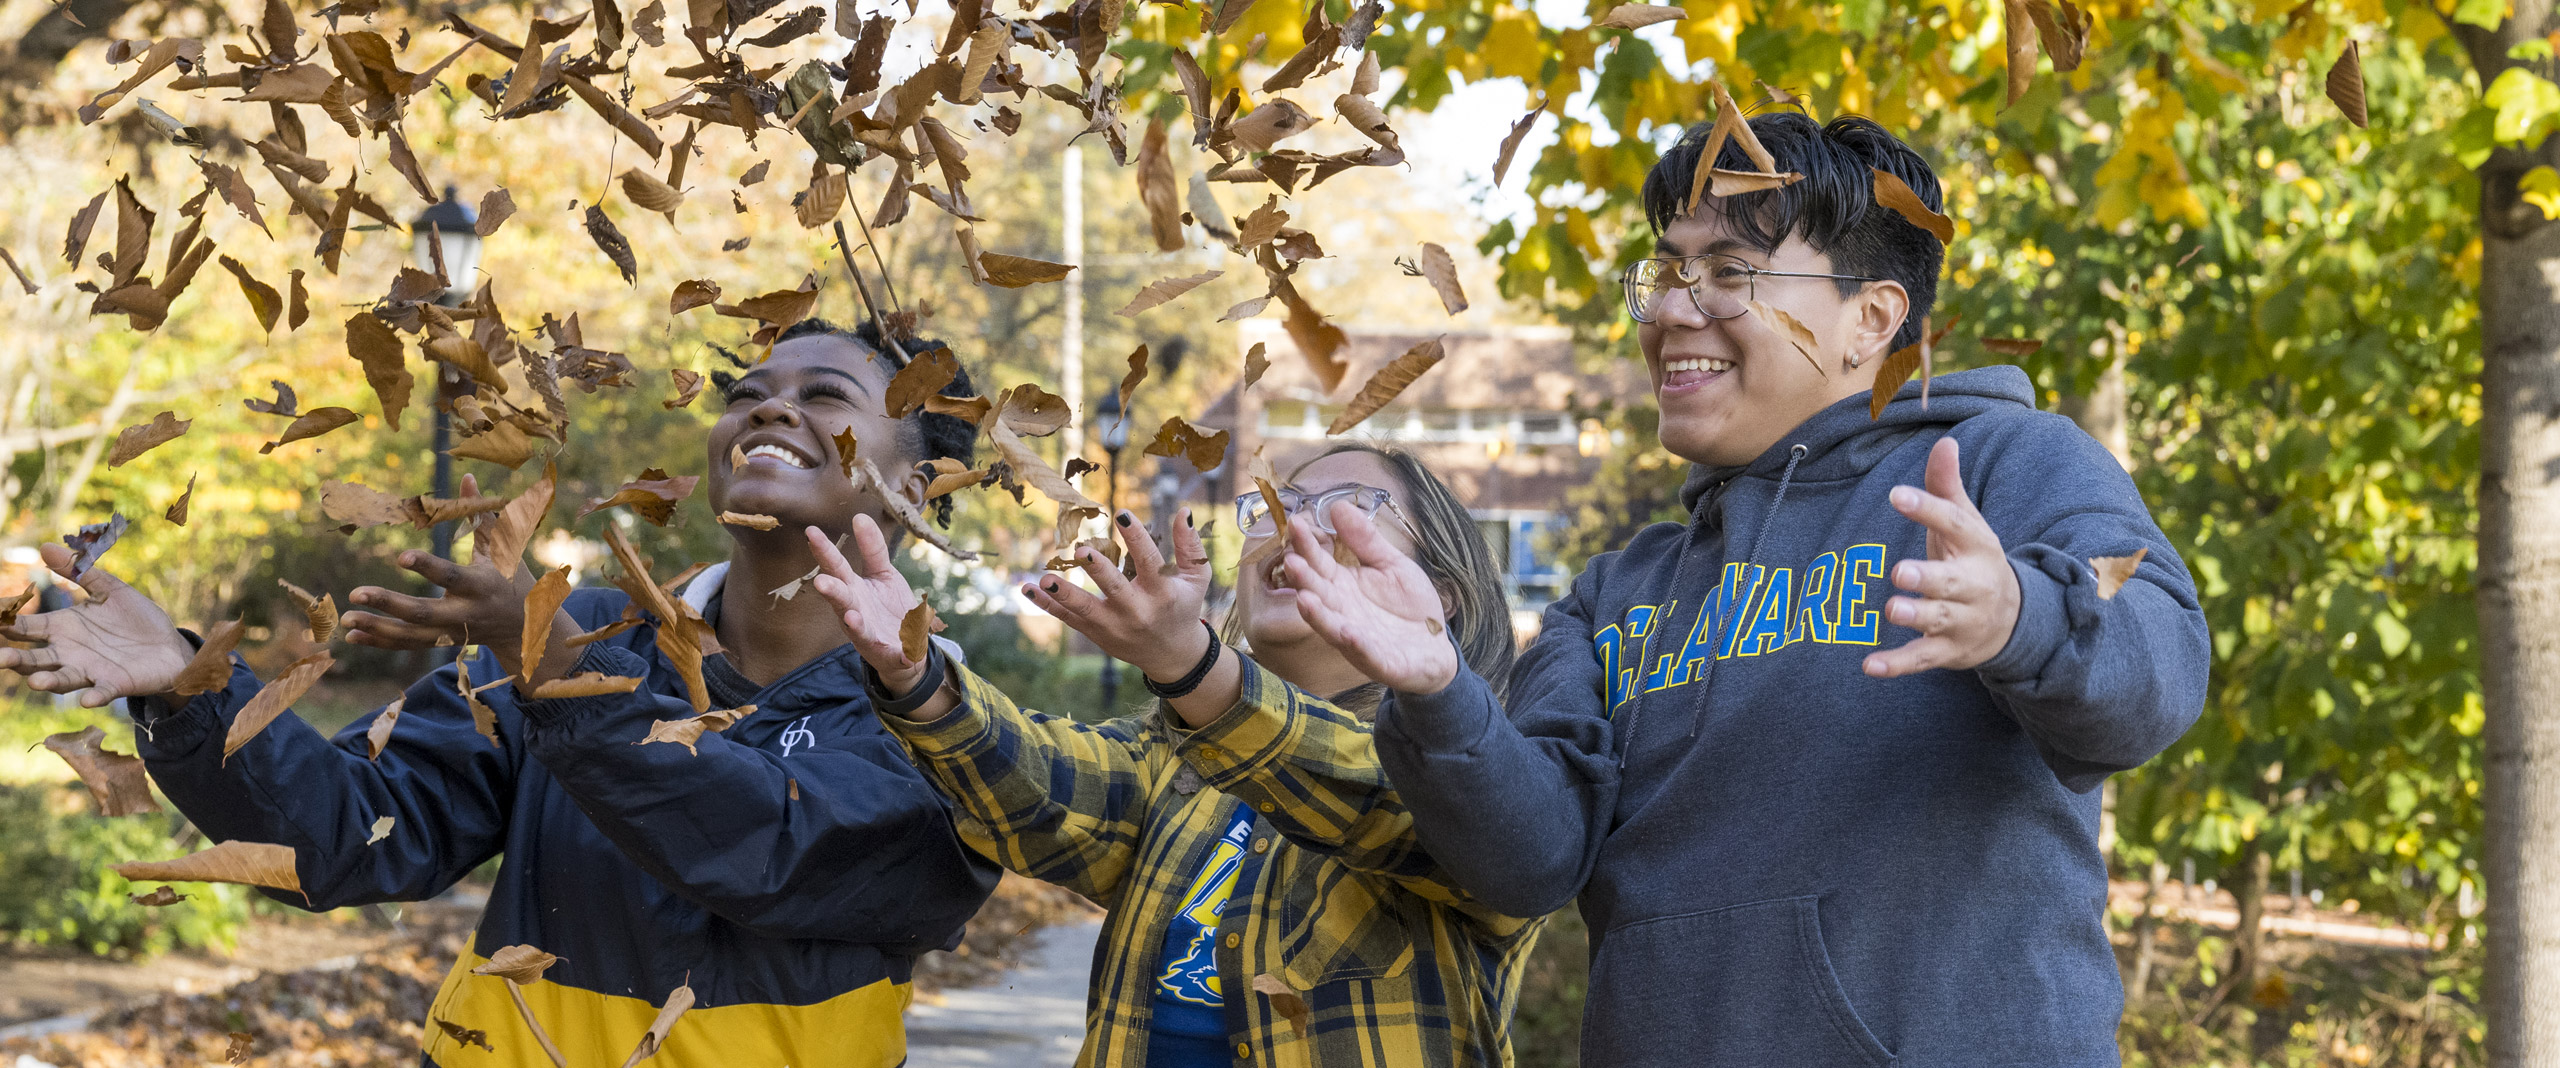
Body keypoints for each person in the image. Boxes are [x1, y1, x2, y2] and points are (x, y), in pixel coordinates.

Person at [1280, 113, 2213, 1066]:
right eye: (1670, 274)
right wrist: (1437, 696)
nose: (1673, 310)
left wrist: (2021, 617)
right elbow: (1531, 862)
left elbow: (2160, 674)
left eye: (1731, 274)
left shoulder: (2001, 463)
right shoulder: (1619, 590)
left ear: (1873, 319)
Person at [0, 318, 1002, 1068]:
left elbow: (765, 850)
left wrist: (557, 672)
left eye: (826, 393)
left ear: (919, 488)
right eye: (745, 390)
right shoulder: (580, 630)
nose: (768, 407)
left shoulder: (953, 732)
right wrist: (191, 682)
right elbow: (347, 839)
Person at [803, 441, 1546, 1067]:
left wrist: (1198, 670)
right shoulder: (1176, 758)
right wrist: (916, 671)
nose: (1291, 528)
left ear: (1441, 596)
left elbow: (1380, 798)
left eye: (1348, 507)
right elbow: (1039, 789)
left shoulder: (1485, 776)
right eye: (1276, 506)